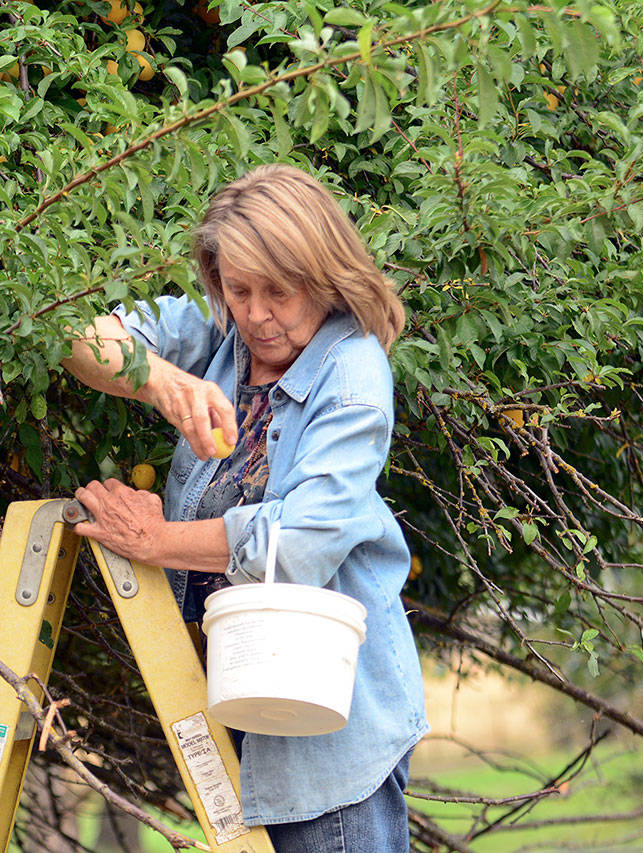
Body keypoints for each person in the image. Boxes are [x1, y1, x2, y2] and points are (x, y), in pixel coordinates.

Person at [60, 163, 428, 851]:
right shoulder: (224, 331)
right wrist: (163, 382)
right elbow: (78, 336)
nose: (256, 313)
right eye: (238, 288)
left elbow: (301, 544)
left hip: (327, 725)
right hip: (237, 698)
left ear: (323, 277)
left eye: (278, 293)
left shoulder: (351, 374)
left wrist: (156, 538)